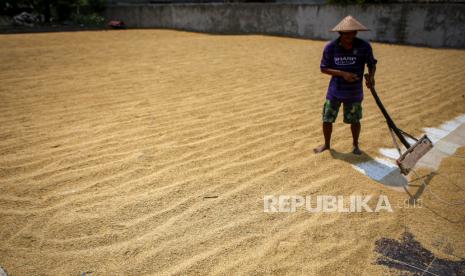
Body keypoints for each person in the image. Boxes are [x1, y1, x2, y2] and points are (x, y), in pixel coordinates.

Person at [313, 15, 377, 155]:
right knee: (327, 118)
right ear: (340, 33)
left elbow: (372, 64)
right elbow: (323, 68)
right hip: (335, 91)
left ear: (356, 33)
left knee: (355, 120)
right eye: (346, 33)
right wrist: (343, 74)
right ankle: (326, 144)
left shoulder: (364, 46)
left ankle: (355, 145)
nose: (350, 36)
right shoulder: (331, 47)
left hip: (354, 92)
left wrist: (371, 77)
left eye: (353, 33)